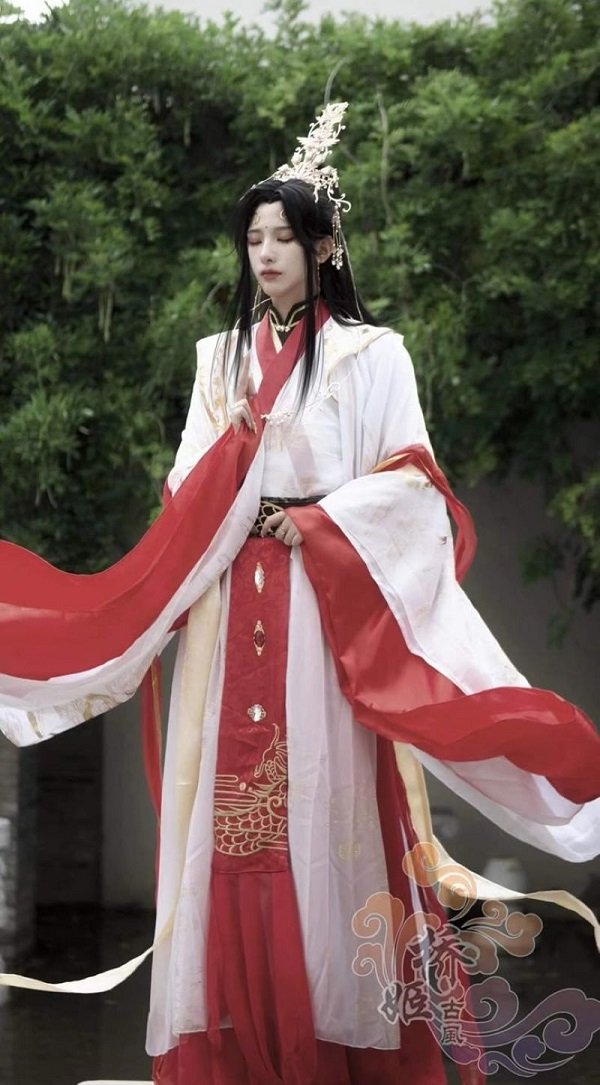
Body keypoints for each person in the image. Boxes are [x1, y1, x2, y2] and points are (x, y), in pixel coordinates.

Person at [0, 103, 599, 1085]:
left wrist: (319, 521)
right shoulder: (218, 358)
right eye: (253, 239)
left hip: (321, 610)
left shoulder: (375, 355)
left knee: (326, 815)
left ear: (324, 247)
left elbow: (413, 484)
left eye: (283, 236)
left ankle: (332, 1037)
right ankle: (232, 1040)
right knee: (221, 821)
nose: (266, 254)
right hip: (229, 605)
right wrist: (233, 465)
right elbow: (185, 486)